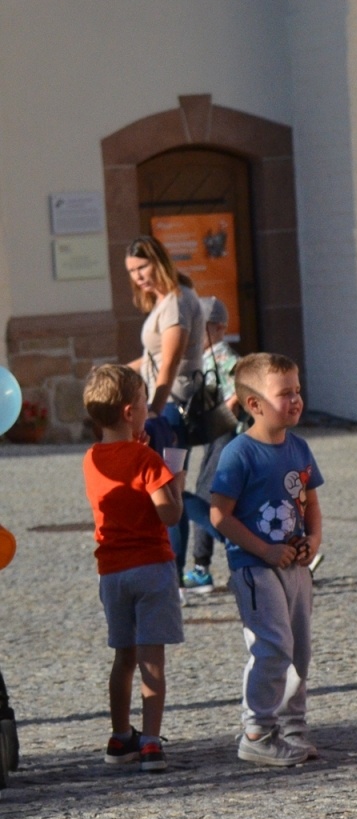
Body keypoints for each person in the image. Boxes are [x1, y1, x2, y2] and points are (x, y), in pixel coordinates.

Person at [209, 353, 323, 767]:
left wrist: (312, 540)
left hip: (296, 569)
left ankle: (291, 726)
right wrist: (265, 550)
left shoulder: (299, 448)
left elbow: (310, 503)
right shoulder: (239, 453)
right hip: (255, 568)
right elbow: (219, 515)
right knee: (273, 647)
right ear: (254, 404)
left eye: (298, 391)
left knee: (299, 651)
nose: (296, 400)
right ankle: (257, 731)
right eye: (284, 393)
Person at [81, 364, 186, 773]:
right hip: (151, 567)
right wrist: (175, 481)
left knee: (123, 657)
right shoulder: (147, 458)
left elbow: (120, 476)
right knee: (151, 659)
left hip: (112, 571)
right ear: (129, 412)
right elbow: (170, 514)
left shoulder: (91, 459)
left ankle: (120, 735)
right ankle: (151, 742)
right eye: (144, 403)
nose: (148, 409)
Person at [123, 235, 207, 575]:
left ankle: (238, 535)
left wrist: (154, 410)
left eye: (142, 267)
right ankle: (177, 574)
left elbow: (170, 362)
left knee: (169, 489)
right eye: (132, 271)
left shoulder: (176, 300)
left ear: (158, 261)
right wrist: (117, 372)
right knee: (171, 489)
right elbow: (153, 359)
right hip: (168, 406)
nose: (138, 276)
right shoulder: (164, 301)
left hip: (173, 408)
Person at [180, 296, 240, 596]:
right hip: (217, 438)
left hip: (225, 437)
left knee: (205, 499)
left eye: (199, 327)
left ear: (218, 328)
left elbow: (241, 388)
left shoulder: (224, 357)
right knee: (215, 500)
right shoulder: (204, 358)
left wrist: (223, 413)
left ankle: (207, 567)